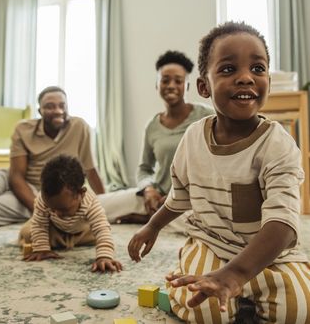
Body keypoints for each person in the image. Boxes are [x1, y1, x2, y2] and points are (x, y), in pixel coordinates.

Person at [128, 22, 310, 323]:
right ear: (204, 87)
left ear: (268, 80)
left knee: (299, 309)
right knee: (203, 310)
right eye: (228, 70)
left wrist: (236, 273)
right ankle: (222, 283)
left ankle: (243, 288)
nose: (245, 78)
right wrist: (153, 226)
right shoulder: (193, 138)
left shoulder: (277, 143)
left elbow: (284, 223)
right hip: (212, 243)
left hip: (270, 253)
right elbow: (180, 196)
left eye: (258, 68)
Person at [0, 86, 105, 236]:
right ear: (40, 111)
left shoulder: (79, 127)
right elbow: (16, 177)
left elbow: (91, 171)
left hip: (43, 193)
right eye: (50, 106)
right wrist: (38, 209)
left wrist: (104, 203)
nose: (58, 110)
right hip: (14, 178)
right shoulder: (24, 128)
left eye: (62, 105)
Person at [99, 50, 213, 228]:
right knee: (96, 206)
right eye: (165, 80)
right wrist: (148, 189)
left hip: (190, 202)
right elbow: (144, 169)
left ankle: (154, 219)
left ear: (188, 86)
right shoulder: (153, 126)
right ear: (157, 85)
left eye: (178, 81)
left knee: (198, 225)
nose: (171, 85)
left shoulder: (207, 116)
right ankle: (153, 215)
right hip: (158, 197)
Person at [19, 155, 122, 273]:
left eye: (63, 209)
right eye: (51, 208)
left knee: (101, 234)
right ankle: (55, 242)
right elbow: (40, 225)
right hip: (54, 229)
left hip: (81, 232)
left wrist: (104, 257)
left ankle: (62, 243)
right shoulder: (43, 199)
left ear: (81, 193)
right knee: (27, 232)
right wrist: (42, 249)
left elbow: (102, 229)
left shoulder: (90, 203)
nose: (57, 213)